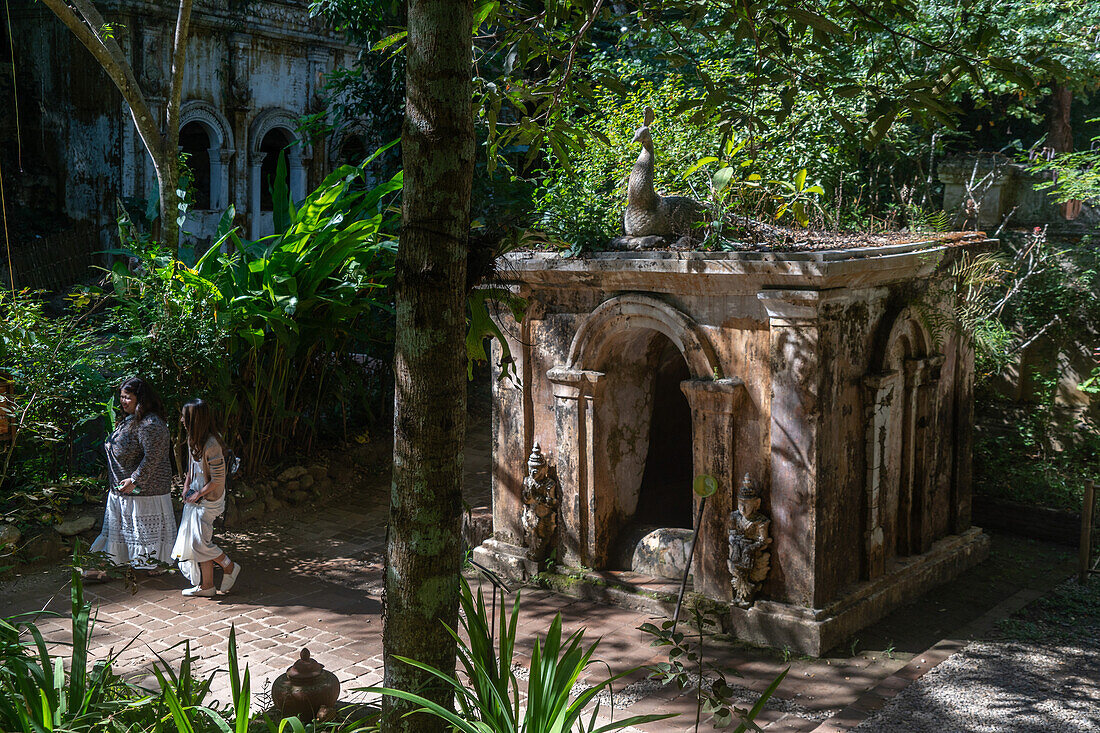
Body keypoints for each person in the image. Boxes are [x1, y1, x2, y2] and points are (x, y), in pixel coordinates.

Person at [88, 377, 177, 575]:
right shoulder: (131, 420)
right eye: (121, 397)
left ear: (141, 399)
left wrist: (135, 479)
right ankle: (107, 565)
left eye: (128, 397)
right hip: (124, 491)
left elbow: (154, 456)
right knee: (120, 532)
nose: (123, 401)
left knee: (143, 533)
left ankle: (155, 564)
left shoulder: (150, 423)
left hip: (144, 492)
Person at [171, 399, 241, 597]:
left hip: (209, 499)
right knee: (199, 538)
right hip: (195, 496)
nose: (182, 420)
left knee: (199, 543)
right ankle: (207, 586)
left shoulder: (212, 443)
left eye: (185, 416)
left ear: (195, 419)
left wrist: (198, 495)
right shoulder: (194, 438)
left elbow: (218, 480)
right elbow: (191, 470)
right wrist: (186, 488)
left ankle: (229, 567)